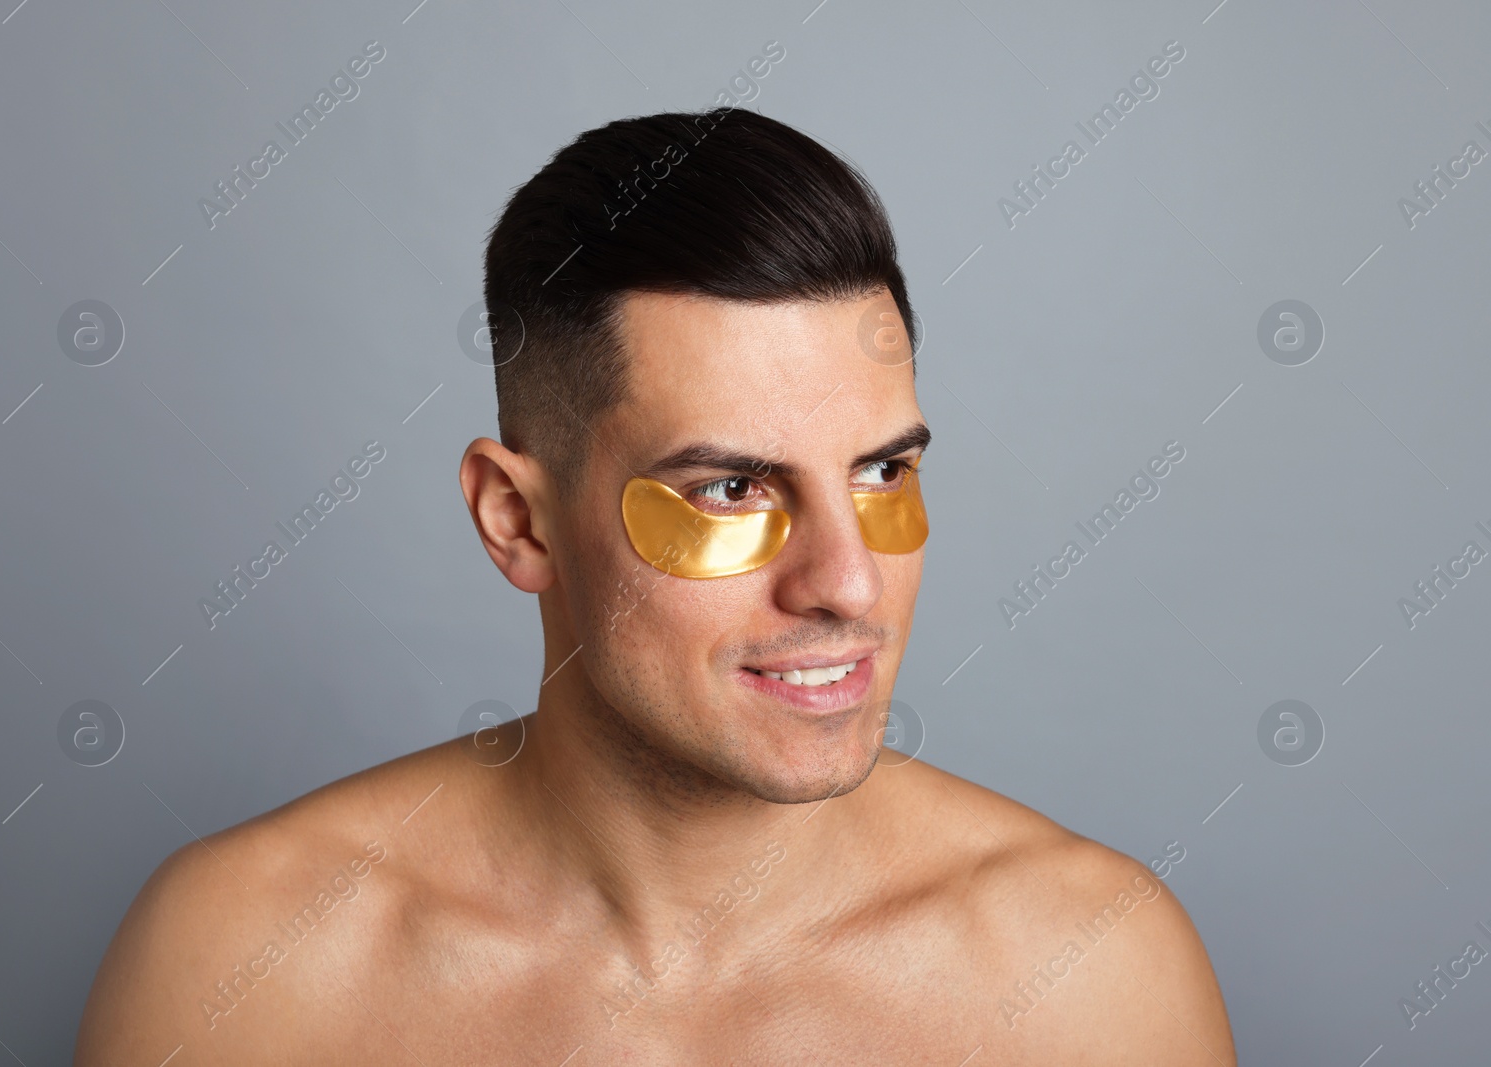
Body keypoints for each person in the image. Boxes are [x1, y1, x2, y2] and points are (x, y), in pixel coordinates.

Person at [75, 107, 1235, 1065]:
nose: (844, 578)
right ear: (516, 519)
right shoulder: (246, 971)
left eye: (883, 470)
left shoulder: (1091, 980)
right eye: (732, 488)